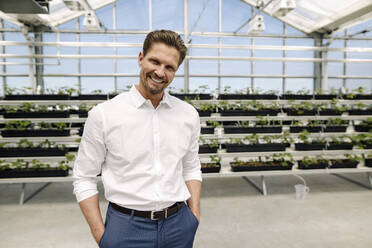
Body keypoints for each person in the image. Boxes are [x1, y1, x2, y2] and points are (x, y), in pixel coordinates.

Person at [73, 29, 202, 248]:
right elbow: (84, 176)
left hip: (179, 225)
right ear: (141, 58)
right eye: (155, 61)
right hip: (125, 227)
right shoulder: (104, 115)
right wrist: (103, 237)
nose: (160, 72)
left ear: (176, 70)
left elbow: (190, 167)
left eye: (169, 67)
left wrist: (194, 217)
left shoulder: (188, 114)